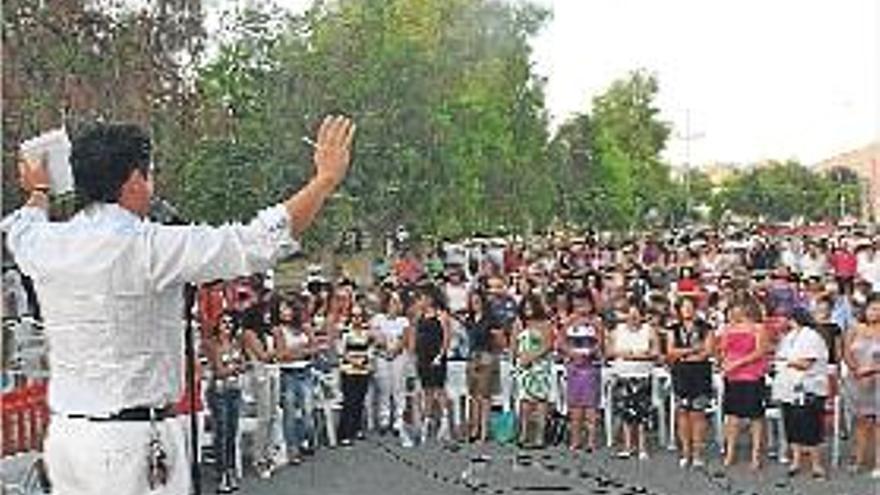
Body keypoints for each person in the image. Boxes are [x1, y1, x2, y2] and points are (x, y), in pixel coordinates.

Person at [4, 116, 355, 494]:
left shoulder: (47, 245)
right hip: (133, 444)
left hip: (68, 439)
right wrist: (323, 181)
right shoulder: (150, 247)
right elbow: (258, 242)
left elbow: (23, 226)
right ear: (135, 180)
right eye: (150, 175)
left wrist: (39, 189)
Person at [773, 308, 830, 479]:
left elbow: (806, 363)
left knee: (811, 426)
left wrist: (786, 362)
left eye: (783, 318)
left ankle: (816, 465)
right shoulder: (789, 337)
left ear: (793, 319)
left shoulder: (811, 336)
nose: (780, 322)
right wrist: (784, 362)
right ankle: (796, 461)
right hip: (789, 387)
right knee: (792, 425)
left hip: (809, 387)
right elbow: (780, 358)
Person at [718, 294, 768, 470]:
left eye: (736, 308)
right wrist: (724, 361)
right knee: (732, 415)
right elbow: (723, 349)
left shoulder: (758, 328)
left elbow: (761, 351)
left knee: (755, 416)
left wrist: (738, 363)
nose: (733, 312)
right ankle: (730, 452)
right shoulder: (728, 328)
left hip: (752, 374)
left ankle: (756, 455)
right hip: (732, 376)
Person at [666, 297, 715, 469]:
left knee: (698, 413)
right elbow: (670, 352)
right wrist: (692, 350)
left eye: (690, 307)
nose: (687, 310)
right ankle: (685, 452)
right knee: (682, 413)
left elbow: (707, 351)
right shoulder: (673, 328)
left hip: (700, 373)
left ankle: (697, 452)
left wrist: (685, 354)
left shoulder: (706, 328)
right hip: (681, 373)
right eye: (683, 307)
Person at [607, 301, 658, 460]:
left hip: (642, 375)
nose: (633, 319)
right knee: (625, 412)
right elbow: (609, 351)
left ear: (641, 316)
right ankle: (628, 446)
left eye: (636, 316)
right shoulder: (618, 330)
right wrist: (623, 353)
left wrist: (635, 356)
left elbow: (656, 352)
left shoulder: (649, 330)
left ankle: (642, 447)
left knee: (642, 413)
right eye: (630, 315)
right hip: (623, 375)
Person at [272, 295, 316, 468]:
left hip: (305, 371)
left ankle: (305, 438)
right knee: (289, 413)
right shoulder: (278, 330)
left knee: (308, 411)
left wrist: (297, 351)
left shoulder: (305, 327)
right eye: (281, 309)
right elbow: (282, 355)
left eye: (287, 308)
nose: (283, 312)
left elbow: (315, 348)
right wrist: (303, 351)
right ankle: (293, 449)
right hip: (288, 373)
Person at [205, 313, 245, 493]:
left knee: (231, 432)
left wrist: (234, 368)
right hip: (218, 392)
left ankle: (229, 469)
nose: (227, 326)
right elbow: (218, 372)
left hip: (235, 390)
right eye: (224, 322)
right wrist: (235, 368)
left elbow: (244, 364)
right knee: (221, 432)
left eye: (231, 322)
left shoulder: (236, 343)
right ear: (218, 324)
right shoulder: (212, 344)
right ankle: (221, 473)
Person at [843, 293, 880, 478]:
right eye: (873, 308)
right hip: (856, 379)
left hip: (878, 380)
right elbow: (846, 352)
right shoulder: (854, 328)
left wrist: (872, 370)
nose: (876, 313)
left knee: (878, 424)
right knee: (861, 422)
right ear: (865, 309)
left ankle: (878, 462)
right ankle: (859, 458)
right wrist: (856, 369)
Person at [562, 290, 604, 452]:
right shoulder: (569, 321)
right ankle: (575, 440)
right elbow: (560, 341)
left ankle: (591, 441)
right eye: (578, 304)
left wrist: (590, 353)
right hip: (574, 367)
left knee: (590, 406)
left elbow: (601, 343)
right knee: (575, 405)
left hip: (590, 366)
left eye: (585, 303)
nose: (581, 307)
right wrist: (571, 353)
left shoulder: (597, 321)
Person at [411, 286, 452, 442]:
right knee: (426, 390)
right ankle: (426, 422)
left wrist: (440, 355)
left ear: (430, 298)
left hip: (436, 356)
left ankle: (446, 422)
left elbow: (447, 337)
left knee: (439, 390)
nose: (420, 300)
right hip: (423, 356)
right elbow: (416, 334)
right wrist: (415, 353)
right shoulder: (420, 315)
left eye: (423, 297)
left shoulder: (441, 315)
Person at [513, 294, 553, 449]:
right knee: (524, 401)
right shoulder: (519, 324)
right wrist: (517, 360)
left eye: (531, 307)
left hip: (540, 367)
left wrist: (532, 357)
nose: (528, 310)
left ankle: (539, 436)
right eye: (525, 307)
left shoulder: (545, 324)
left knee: (540, 401)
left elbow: (548, 345)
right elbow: (514, 344)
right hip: (523, 366)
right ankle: (523, 434)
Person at [369, 290, 411, 436]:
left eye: (398, 302)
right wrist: (384, 346)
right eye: (393, 302)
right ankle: (384, 418)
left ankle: (399, 419)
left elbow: (405, 338)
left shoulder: (403, 320)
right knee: (384, 387)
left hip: (398, 356)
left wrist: (395, 350)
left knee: (398, 387)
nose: (396, 305)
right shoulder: (378, 319)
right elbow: (375, 336)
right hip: (382, 355)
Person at [464, 291, 500, 443]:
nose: (475, 304)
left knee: (485, 396)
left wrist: (492, 354)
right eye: (472, 301)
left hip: (487, 355)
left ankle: (484, 431)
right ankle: (474, 429)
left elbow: (499, 340)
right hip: (472, 356)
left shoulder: (491, 319)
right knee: (473, 395)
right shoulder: (470, 319)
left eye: (477, 301)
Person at [337, 305, 376, 447]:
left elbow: (371, 350)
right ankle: (344, 433)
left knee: (360, 400)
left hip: (363, 370)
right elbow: (341, 351)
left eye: (359, 316)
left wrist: (366, 361)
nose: (356, 319)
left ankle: (356, 428)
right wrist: (353, 361)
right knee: (349, 401)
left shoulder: (367, 333)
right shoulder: (346, 332)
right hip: (349, 370)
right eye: (354, 316)